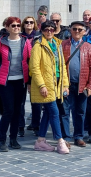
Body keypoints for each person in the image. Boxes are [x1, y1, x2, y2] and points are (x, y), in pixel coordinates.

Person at [0, 17, 31, 152]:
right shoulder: (1, 43)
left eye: (18, 25)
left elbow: (30, 62)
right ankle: (1, 140)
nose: (16, 28)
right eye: (13, 25)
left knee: (18, 111)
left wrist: (30, 83)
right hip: (6, 82)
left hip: (21, 81)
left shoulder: (25, 42)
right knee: (8, 111)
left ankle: (13, 139)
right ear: (7, 27)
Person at [30, 20, 70, 154]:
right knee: (54, 112)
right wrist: (41, 85)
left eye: (52, 30)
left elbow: (62, 66)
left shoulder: (57, 44)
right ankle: (60, 141)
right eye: (46, 30)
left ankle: (40, 141)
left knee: (48, 112)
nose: (49, 32)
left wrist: (65, 84)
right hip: (46, 85)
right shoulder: (38, 46)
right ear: (42, 31)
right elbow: (34, 68)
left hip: (57, 84)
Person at [61, 21, 91, 147]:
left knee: (80, 112)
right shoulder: (63, 45)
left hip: (82, 85)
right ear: (70, 30)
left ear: (84, 31)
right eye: (74, 29)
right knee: (65, 111)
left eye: (80, 29)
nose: (77, 31)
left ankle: (78, 136)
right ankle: (65, 137)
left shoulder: (89, 47)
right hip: (67, 84)